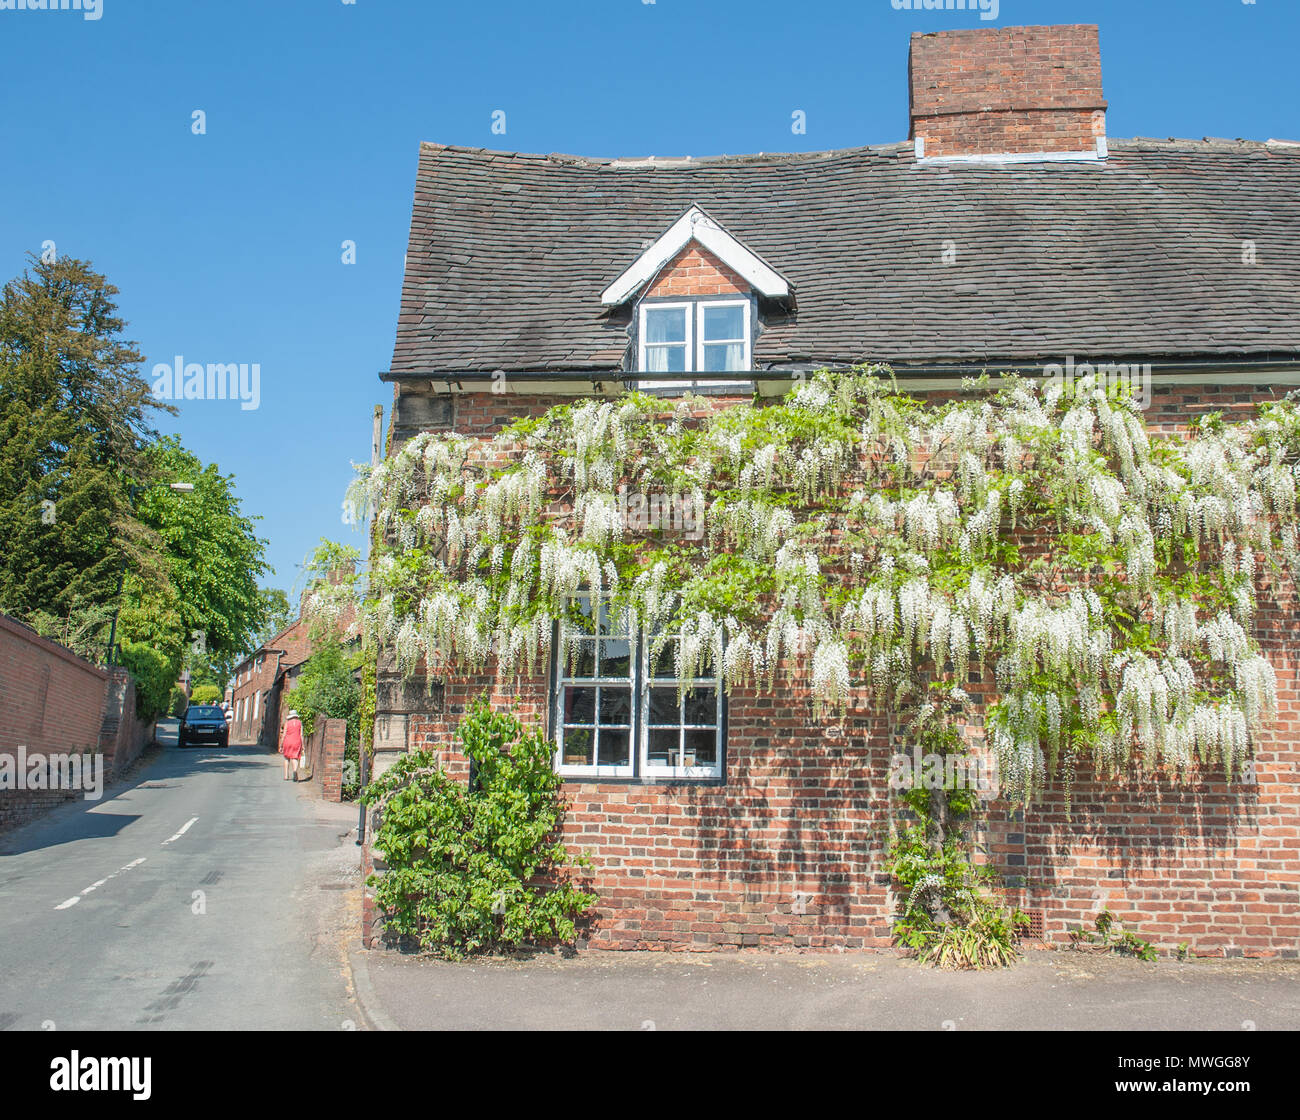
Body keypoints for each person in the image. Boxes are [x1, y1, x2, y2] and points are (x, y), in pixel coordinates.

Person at [280, 709, 304, 781]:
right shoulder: (300, 723)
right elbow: (301, 735)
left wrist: (281, 745)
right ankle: (295, 771)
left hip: (287, 741)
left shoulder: (287, 723)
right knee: (295, 757)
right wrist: (303, 745)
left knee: (286, 758)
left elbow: (284, 735)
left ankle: (286, 775)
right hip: (297, 741)